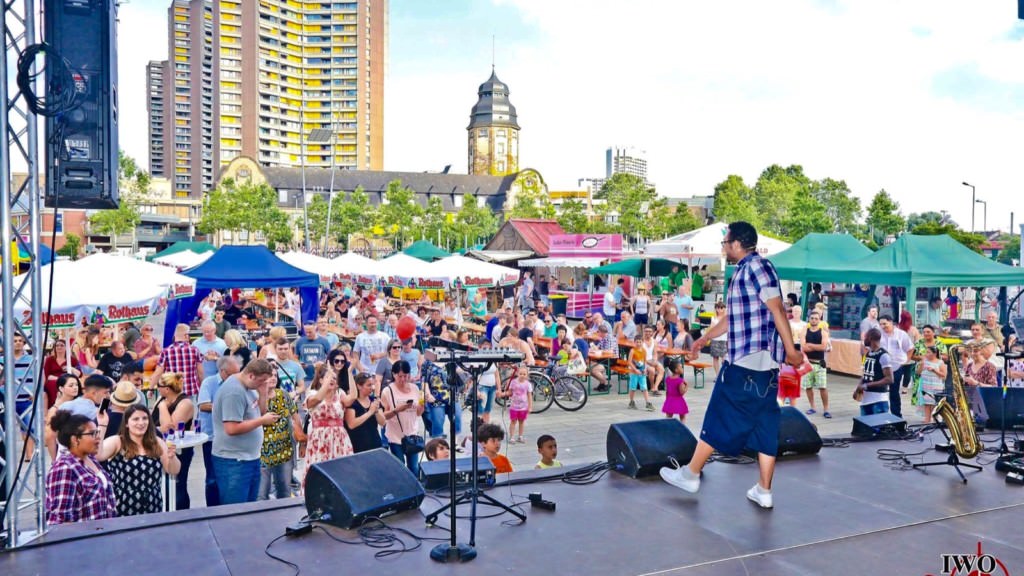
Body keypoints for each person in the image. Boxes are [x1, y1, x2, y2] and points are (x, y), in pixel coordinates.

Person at [661, 221, 802, 510]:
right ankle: (764, 490)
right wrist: (702, 340)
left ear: (737, 243)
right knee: (765, 425)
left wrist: (792, 350)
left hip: (746, 362)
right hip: (764, 368)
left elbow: (777, 309)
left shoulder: (755, 267)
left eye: (725, 242)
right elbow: (731, 319)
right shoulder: (744, 272)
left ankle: (691, 473)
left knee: (718, 415)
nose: (723, 247)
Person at [212, 359, 280, 505]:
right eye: (261, 381)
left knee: (249, 508)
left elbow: (259, 413)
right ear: (251, 376)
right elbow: (231, 428)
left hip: (250, 457)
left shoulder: (250, 387)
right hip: (234, 460)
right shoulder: (234, 392)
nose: (263, 384)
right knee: (236, 509)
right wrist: (262, 422)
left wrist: (263, 394)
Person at [97, 404, 179, 517]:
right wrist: (102, 425)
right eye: (136, 419)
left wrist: (172, 457)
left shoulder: (156, 442)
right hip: (123, 508)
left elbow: (173, 470)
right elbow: (97, 455)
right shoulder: (117, 441)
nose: (141, 423)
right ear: (126, 423)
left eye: (145, 418)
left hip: (153, 506)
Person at [45, 410, 117, 525]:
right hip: (83, 539)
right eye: (92, 434)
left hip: (103, 536)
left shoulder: (90, 459)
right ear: (75, 439)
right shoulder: (64, 468)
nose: (98, 438)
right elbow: (60, 519)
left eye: (97, 433)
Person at [197, 355, 241, 507]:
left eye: (238, 373)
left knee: (230, 477)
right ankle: (212, 511)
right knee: (212, 478)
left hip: (232, 436)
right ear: (223, 372)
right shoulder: (209, 383)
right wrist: (226, 407)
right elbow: (203, 405)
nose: (236, 376)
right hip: (212, 438)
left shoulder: (237, 384)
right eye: (233, 373)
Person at [153, 372, 195, 510]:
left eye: (158, 386)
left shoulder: (185, 402)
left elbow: (170, 428)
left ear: (166, 388)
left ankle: (181, 513)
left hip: (179, 449)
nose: (156, 388)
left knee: (178, 484)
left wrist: (163, 407)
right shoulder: (161, 399)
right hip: (159, 447)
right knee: (163, 484)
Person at [258, 372, 299, 501]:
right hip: (262, 452)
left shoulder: (283, 395)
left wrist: (299, 437)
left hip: (284, 450)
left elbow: (295, 417)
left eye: (275, 375)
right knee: (261, 494)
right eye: (270, 375)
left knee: (285, 492)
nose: (273, 378)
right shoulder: (256, 396)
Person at [380, 360, 426, 476]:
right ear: (394, 374)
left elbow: (419, 413)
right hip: (395, 436)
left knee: (414, 468)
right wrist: (398, 410)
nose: (403, 379)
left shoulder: (415, 389)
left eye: (405, 376)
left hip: (412, 434)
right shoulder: (387, 391)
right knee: (400, 467)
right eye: (400, 376)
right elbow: (383, 416)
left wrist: (422, 405)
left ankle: (415, 492)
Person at [306, 363, 356, 463]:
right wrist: (327, 382)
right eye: (328, 377)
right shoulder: (312, 393)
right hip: (319, 437)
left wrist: (349, 373)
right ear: (321, 381)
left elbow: (353, 397)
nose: (332, 380)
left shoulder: (340, 393)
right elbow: (318, 399)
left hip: (339, 436)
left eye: (334, 378)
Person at [150, 324, 204, 399]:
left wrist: (151, 388)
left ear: (175, 336)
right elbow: (200, 372)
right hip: (190, 390)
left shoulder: (166, 351)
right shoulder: (195, 350)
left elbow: (158, 373)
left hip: (172, 391)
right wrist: (202, 387)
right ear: (186, 336)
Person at [878, 314, 913, 418]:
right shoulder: (878, 334)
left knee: (894, 392)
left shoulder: (901, 334)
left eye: (885, 324)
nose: (883, 326)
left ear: (891, 322)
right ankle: (880, 414)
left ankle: (896, 415)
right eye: (881, 324)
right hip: (882, 367)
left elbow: (910, 348)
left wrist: (906, 360)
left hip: (896, 366)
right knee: (880, 391)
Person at [855, 328, 894, 415]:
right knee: (865, 428)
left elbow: (889, 379)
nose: (864, 340)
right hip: (866, 401)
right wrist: (858, 387)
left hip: (879, 401)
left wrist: (867, 385)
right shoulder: (869, 353)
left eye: (865, 337)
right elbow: (865, 373)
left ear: (870, 338)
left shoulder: (883, 356)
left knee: (879, 427)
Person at [344, 372, 386, 454]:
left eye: (373, 385)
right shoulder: (352, 402)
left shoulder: (373, 400)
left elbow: (383, 422)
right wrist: (370, 412)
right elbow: (351, 424)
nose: (372, 388)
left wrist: (376, 411)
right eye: (369, 385)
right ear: (359, 386)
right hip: (357, 445)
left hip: (375, 443)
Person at [801, 310, 831, 418]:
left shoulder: (823, 332)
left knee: (823, 387)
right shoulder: (805, 331)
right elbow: (803, 347)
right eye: (812, 318)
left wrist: (810, 345)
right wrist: (814, 346)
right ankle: (812, 407)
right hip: (807, 363)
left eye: (816, 318)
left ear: (819, 320)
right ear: (809, 319)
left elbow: (823, 347)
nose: (814, 320)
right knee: (808, 387)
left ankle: (826, 409)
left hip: (820, 364)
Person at [44, 374, 82, 459]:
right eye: (71, 385)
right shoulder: (56, 408)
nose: (75, 387)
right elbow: (50, 432)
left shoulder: (81, 402)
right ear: (61, 388)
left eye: (76, 385)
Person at [43, 339, 81, 407]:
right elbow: (46, 374)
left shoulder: (72, 359)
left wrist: (71, 368)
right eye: (57, 345)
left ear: (66, 348)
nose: (59, 347)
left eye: (62, 345)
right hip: (52, 380)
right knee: (53, 384)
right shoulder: (49, 359)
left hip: (67, 380)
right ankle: (54, 406)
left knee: (66, 385)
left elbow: (80, 374)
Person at [963, 344, 995, 424]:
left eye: (975, 351)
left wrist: (976, 383)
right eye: (971, 351)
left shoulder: (989, 366)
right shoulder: (969, 366)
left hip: (983, 401)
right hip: (969, 399)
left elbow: (993, 386)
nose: (973, 354)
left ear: (982, 352)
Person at [916, 346, 947, 424]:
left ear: (934, 353)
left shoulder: (940, 362)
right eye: (926, 352)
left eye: (928, 352)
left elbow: (944, 375)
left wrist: (934, 370)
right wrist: (921, 365)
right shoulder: (924, 361)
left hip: (936, 385)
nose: (926, 354)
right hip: (926, 384)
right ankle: (927, 418)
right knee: (927, 402)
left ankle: (934, 418)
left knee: (934, 403)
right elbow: (918, 373)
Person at [502, 366, 533, 444]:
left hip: (523, 407)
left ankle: (520, 436)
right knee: (513, 421)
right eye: (520, 374)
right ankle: (512, 437)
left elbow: (529, 396)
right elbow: (509, 392)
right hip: (514, 406)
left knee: (521, 422)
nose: (522, 375)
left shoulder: (528, 384)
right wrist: (503, 394)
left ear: (527, 375)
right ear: (517, 374)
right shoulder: (513, 382)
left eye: (524, 374)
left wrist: (530, 407)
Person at [193, 321, 228, 386]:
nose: (206, 334)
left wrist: (216, 358)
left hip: (219, 381)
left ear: (214, 330)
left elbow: (227, 363)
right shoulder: (196, 344)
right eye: (204, 331)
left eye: (209, 331)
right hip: (200, 381)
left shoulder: (223, 344)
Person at [627, 334, 655, 411]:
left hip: (642, 372)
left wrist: (645, 369)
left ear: (642, 342)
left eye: (640, 342)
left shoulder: (644, 351)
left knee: (644, 387)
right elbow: (629, 362)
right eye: (637, 342)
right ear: (634, 342)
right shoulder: (632, 351)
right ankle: (631, 401)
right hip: (634, 372)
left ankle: (648, 402)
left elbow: (645, 361)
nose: (638, 344)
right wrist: (635, 370)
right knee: (633, 388)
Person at [709, 301, 728, 374]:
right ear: (716, 309)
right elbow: (712, 328)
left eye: (722, 308)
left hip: (724, 340)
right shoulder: (714, 318)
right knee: (715, 358)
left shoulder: (726, 318)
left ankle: (723, 373)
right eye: (718, 308)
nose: (720, 309)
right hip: (715, 339)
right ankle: (717, 375)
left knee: (724, 358)